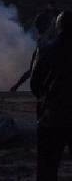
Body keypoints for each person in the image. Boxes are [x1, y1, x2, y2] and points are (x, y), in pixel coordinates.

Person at [31, 11, 72, 180]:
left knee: (47, 169)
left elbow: (35, 85)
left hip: (52, 116)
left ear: (58, 26)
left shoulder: (46, 51)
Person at [10, 11, 55, 92]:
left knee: (33, 70)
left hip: (41, 52)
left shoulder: (43, 35)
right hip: (43, 53)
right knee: (35, 70)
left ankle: (16, 86)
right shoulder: (44, 35)